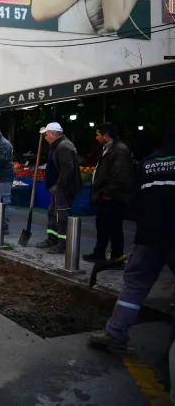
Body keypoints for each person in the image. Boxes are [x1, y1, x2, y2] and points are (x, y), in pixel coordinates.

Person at [88, 122, 175, 351]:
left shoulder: (149, 163)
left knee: (134, 285)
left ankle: (116, 333)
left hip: (148, 235)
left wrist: (146, 229)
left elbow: (136, 201)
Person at [84, 122, 135, 263]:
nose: (96, 138)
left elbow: (120, 176)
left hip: (113, 197)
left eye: (98, 135)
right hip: (105, 196)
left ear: (105, 135)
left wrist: (107, 193)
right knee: (102, 226)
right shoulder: (108, 149)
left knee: (114, 228)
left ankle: (116, 258)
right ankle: (99, 253)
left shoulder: (120, 150)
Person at [36, 122, 83, 254]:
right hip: (59, 187)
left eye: (46, 135)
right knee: (52, 213)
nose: (45, 137)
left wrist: (59, 186)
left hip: (64, 188)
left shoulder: (64, 146)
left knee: (61, 216)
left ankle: (62, 244)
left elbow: (68, 169)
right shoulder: (58, 145)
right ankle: (53, 239)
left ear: (52, 134)